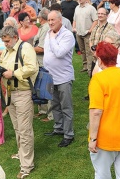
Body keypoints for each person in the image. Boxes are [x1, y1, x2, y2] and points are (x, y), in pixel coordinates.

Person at [88, 41, 120, 179]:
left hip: (106, 137)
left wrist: (93, 138)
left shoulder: (98, 79)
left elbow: (96, 111)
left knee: (102, 174)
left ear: (99, 60)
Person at [0, 26, 38, 179]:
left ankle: (27, 165)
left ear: (15, 36)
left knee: (25, 129)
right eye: (4, 41)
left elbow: (32, 67)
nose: (5, 44)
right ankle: (22, 153)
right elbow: (3, 65)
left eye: (7, 41)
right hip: (10, 92)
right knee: (17, 127)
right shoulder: (7, 50)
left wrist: (13, 73)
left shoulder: (26, 47)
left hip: (23, 92)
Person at [43, 11, 75, 147]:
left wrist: (51, 38)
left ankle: (69, 134)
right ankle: (58, 128)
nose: (50, 23)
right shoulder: (48, 33)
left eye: (53, 20)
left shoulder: (67, 35)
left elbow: (59, 53)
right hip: (51, 76)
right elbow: (47, 52)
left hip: (63, 77)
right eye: (48, 20)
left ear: (60, 20)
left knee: (66, 106)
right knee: (55, 104)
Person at [73, 0, 98, 76]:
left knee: (89, 51)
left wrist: (90, 30)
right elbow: (74, 19)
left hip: (87, 33)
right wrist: (74, 28)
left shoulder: (91, 8)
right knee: (82, 50)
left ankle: (90, 69)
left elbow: (96, 20)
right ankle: (85, 66)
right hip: (79, 33)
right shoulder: (77, 8)